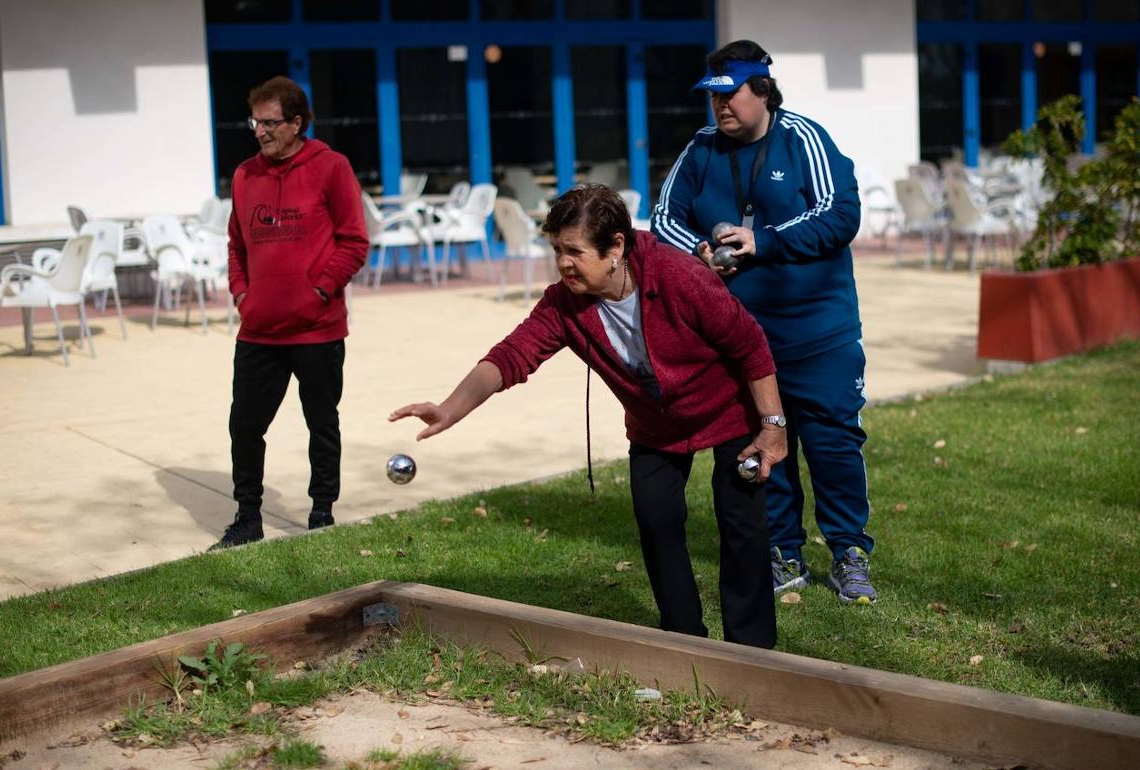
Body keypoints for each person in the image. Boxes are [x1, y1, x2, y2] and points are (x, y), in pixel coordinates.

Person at [390, 184, 787, 648]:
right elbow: (512, 355)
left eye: (574, 251)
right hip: (655, 427)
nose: (563, 263)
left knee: (742, 528)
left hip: (727, 412)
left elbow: (750, 345)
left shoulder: (679, 276)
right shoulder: (565, 303)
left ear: (615, 246)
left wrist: (772, 428)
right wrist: (450, 407)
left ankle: (754, 650)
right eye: (557, 249)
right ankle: (685, 643)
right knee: (657, 523)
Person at [651, 40, 877, 604]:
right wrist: (701, 252)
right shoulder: (700, 150)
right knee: (762, 446)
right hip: (742, 340)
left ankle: (849, 551)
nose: (720, 107)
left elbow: (840, 214)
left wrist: (763, 241)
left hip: (818, 333)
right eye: (713, 97)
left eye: (731, 95)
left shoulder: (804, 139)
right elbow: (662, 219)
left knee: (832, 445)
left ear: (763, 91)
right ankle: (784, 553)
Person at [211, 76, 369, 550]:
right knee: (245, 425)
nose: (260, 131)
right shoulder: (244, 175)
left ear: (297, 122)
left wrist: (319, 290)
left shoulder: (332, 168)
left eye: (270, 122)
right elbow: (236, 245)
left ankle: (321, 512)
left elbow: (355, 241)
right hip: (259, 329)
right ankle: (247, 518)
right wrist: (242, 294)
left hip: (317, 330)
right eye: (255, 121)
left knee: (321, 422)